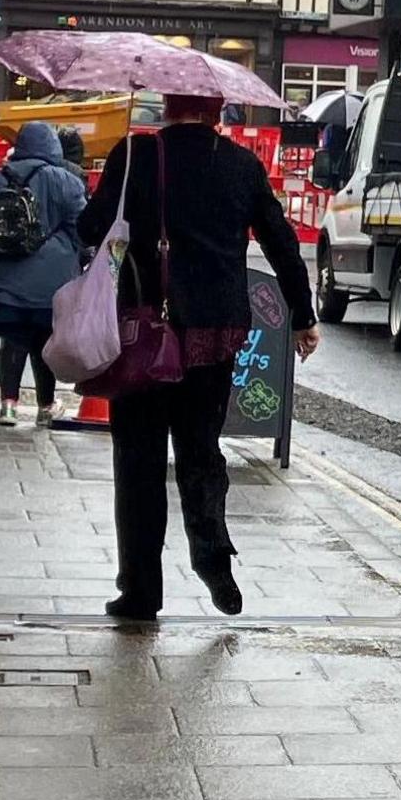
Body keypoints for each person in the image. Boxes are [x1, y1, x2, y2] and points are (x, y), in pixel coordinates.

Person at [88, 95, 316, 621]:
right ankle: (213, 557)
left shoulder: (135, 155)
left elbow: (92, 228)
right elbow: (281, 242)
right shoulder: (241, 164)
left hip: (144, 331)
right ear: (217, 111)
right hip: (214, 334)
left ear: (167, 105)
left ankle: (141, 592)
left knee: (139, 459)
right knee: (200, 449)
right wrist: (302, 315)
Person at [0, 121, 89, 427]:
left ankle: (8, 406)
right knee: (43, 343)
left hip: (2, 278)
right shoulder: (66, 181)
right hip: (51, 284)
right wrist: (77, 262)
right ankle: (45, 406)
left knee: (13, 341)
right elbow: (83, 228)